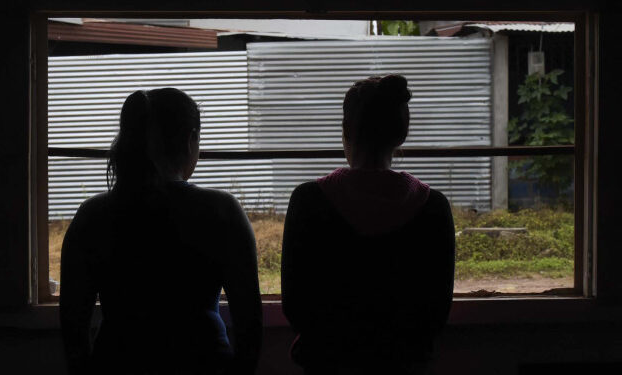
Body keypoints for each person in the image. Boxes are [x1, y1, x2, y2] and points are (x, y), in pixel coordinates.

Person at [60, 88, 263, 375]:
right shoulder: (222, 212)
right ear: (190, 139)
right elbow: (250, 325)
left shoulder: (92, 216)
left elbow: (72, 326)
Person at [281, 75, 455, 375]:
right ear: (402, 134)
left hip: (327, 363)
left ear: (347, 130)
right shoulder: (433, 207)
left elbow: (296, 307)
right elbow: (435, 314)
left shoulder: (308, 201)